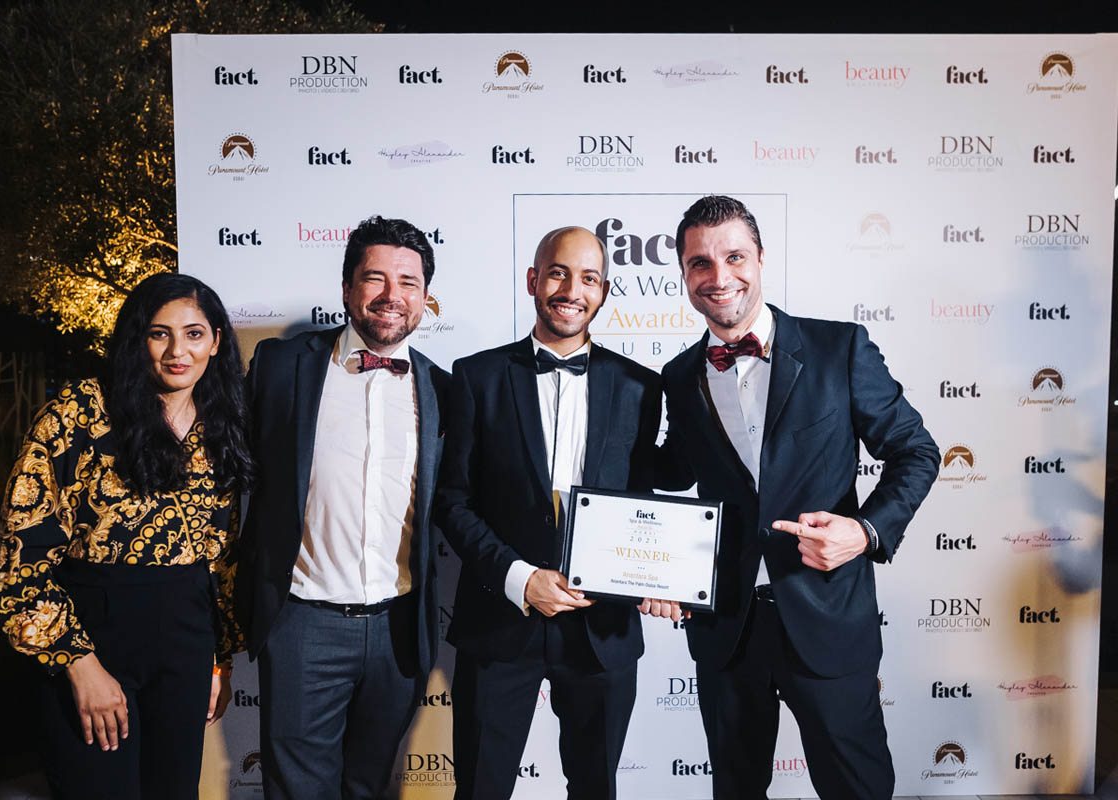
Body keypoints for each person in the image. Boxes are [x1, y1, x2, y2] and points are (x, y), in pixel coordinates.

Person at [656, 195, 940, 799]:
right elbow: (674, 475)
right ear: (683, 272)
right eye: (700, 263)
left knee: (857, 789)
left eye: (734, 257)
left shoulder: (840, 348)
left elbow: (916, 452)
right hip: (727, 628)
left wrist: (863, 531)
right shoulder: (678, 377)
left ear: (760, 259)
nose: (719, 276)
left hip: (827, 617)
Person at [0, 272, 253, 799]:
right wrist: (79, 665)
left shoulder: (226, 421)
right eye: (159, 334)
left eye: (194, 334)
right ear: (137, 339)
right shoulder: (78, 413)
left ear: (216, 341)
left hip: (187, 641)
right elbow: (19, 557)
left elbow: (222, 555)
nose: (177, 351)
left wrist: (218, 657)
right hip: (94, 636)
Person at [435, 226, 673, 800]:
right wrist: (520, 578)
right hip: (499, 621)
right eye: (559, 273)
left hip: (602, 630)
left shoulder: (642, 386)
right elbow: (452, 500)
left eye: (588, 278)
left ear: (604, 291)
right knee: (480, 789)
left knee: (596, 789)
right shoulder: (476, 376)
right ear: (533, 280)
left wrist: (656, 575)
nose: (572, 290)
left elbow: (644, 505)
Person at [235, 215, 448, 799]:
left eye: (408, 282)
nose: (391, 295)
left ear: (425, 297)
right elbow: (228, 471)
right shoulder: (281, 367)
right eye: (375, 278)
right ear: (348, 288)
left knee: (369, 787)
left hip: (398, 632)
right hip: (303, 624)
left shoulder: (444, 390)